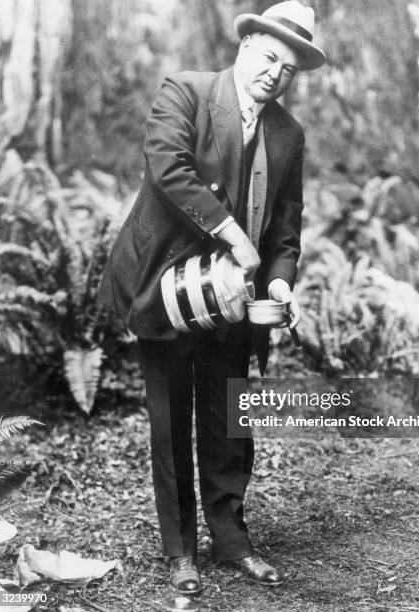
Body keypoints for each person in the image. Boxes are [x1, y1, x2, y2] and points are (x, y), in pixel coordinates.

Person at [99, 0, 325, 595]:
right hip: (167, 285)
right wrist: (231, 235)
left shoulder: (288, 134)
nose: (275, 73)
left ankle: (231, 539)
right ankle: (181, 552)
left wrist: (278, 280)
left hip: (236, 302)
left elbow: (285, 228)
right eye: (269, 57)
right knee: (170, 420)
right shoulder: (188, 91)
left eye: (289, 68)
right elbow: (167, 168)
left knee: (230, 420)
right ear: (245, 45)